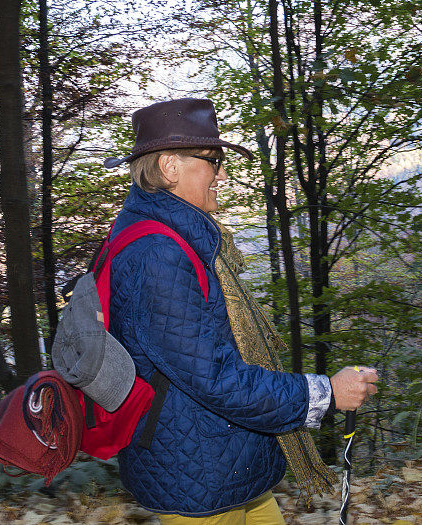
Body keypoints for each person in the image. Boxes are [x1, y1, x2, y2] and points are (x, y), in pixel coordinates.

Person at [103, 98, 379, 523]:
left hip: (224, 456)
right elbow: (213, 377)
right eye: (213, 161)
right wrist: (324, 393)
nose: (223, 173)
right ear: (170, 167)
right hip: (195, 473)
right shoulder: (157, 253)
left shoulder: (183, 237)